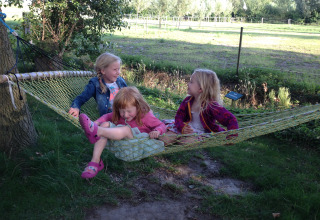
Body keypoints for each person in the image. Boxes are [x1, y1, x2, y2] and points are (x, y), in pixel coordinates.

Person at [79, 87, 167, 179]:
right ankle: (95, 162)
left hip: (137, 145)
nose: (125, 115)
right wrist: (97, 122)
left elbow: (161, 125)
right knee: (105, 124)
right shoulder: (118, 115)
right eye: (122, 111)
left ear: (138, 106)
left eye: (129, 111)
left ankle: (95, 130)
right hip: (122, 143)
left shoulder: (145, 115)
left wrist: (157, 131)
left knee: (126, 129)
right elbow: (106, 117)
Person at [160, 68, 239, 145]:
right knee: (164, 140)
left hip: (200, 132)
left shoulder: (212, 106)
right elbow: (178, 117)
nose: (188, 84)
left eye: (191, 82)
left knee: (185, 142)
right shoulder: (187, 101)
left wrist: (232, 136)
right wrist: (182, 127)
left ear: (200, 88)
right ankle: (176, 136)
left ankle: (181, 138)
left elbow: (231, 119)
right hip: (185, 127)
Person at [68, 52, 127, 118]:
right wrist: (75, 107)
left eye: (118, 69)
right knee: (105, 124)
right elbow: (81, 98)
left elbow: (130, 97)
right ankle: (92, 126)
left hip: (126, 114)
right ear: (103, 71)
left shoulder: (120, 81)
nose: (118, 72)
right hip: (110, 118)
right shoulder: (95, 84)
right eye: (115, 70)